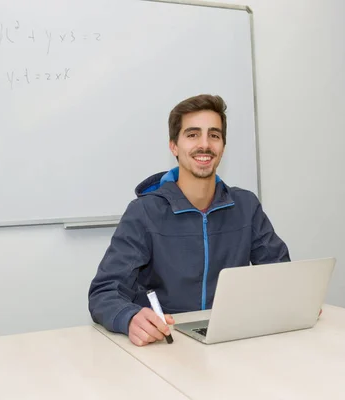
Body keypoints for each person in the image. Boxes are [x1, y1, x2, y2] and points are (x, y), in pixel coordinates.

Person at [88, 94, 290, 346]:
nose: (204, 145)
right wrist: (129, 318)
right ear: (174, 145)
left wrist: (294, 300)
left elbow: (280, 274)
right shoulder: (144, 212)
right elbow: (104, 293)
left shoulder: (245, 206)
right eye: (192, 134)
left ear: (223, 146)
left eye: (214, 135)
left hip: (230, 340)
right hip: (165, 343)